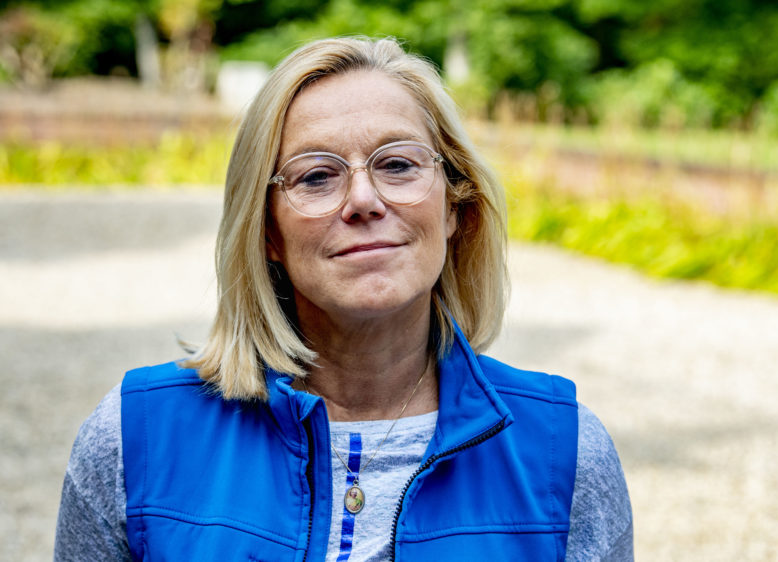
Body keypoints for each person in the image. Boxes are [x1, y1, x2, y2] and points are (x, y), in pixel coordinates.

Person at [55, 37, 632, 561]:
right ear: (266, 231)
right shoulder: (137, 439)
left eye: (398, 164)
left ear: (455, 207)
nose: (363, 200)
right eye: (316, 176)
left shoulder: (562, 455)